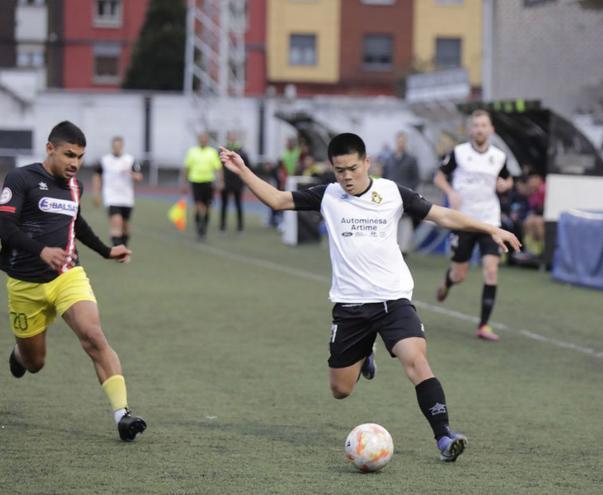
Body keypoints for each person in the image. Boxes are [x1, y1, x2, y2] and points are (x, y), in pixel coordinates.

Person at [218, 133, 520, 462]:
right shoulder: (327, 195)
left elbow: (444, 215)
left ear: (366, 163)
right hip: (351, 307)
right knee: (341, 390)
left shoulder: (391, 193)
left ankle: (445, 436)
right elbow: (277, 200)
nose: (346, 177)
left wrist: (491, 228)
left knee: (417, 362)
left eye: (352, 168)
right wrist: (243, 171)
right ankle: (365, 354)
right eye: (339, 170)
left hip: (394, 300)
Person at [0, 121, 146, 441]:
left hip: (68, 276)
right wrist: (39, 251)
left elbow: (76, 223)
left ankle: (122, 414)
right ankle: (19, 354)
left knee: (94, 336)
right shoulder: (20, 178)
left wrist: (106, 251)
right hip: (25, 284)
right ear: (49, 149)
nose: (75, 163)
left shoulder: (74, 185)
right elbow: (6, 228)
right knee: (35, 362)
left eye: (80, 156)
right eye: (69, 155)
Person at [433, 110, 514, 341]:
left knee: (491, 270)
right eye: (476, 125)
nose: (479, 129)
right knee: (460, 274)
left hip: (490, 221)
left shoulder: (498, 157)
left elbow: (508, 178)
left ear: (491, 130)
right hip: (463, 221)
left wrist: (504, 185)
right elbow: (438, 176)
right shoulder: (458, 154)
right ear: (470, 130)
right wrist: (450, 193)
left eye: (483, 125)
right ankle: (448, 282)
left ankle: (484, 326)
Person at [92, 136, 143, 246]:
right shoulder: (105, 160)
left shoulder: (130, 160)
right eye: (115, 146)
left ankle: (124, 247)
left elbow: (139, 177)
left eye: (119, 146)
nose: (117, 148)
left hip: (126, 198)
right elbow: (97, 176)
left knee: (125, 225)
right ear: (112, 146)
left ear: (122, 146)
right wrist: (96, 193)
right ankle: (118, 251)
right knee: (116, 222)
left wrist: (131, 173)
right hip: (111, 197)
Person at [382, 131, 421, 256]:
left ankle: (403, 250)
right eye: (399, 141)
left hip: (405, 197)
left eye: (403, 141)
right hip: (389, 197)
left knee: (405, 223)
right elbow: (384, 176)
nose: (401, 143)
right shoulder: (389, 159)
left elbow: (416, 179)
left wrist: (410, 192)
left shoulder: (412, 160)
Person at [183, 132, 224, 241]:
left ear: (207, 140)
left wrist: (221, 181)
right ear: (198, 140)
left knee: (207, 207)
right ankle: (198, 229)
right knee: (197, 206)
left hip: (208, 182)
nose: (203, 140)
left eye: (205, 139)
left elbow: (218, 168)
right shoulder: (192, 151)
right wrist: (184, 183)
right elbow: (187, 167)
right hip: (195, 181)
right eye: (201, 138)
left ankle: (204, 228)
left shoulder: (212, 152)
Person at [219, 131, 248, 234]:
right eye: (230, 136)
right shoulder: (223, 150)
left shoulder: (242, 151)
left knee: (238, 204)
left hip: (237, 181)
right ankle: (222, 226)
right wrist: (221, 181)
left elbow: (247, 166)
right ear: (227, 138)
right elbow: (219, 166)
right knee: (224, 204)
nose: (232, 138)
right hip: (226, 181)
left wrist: (245, 180)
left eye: (234, 136)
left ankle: (240, 227)